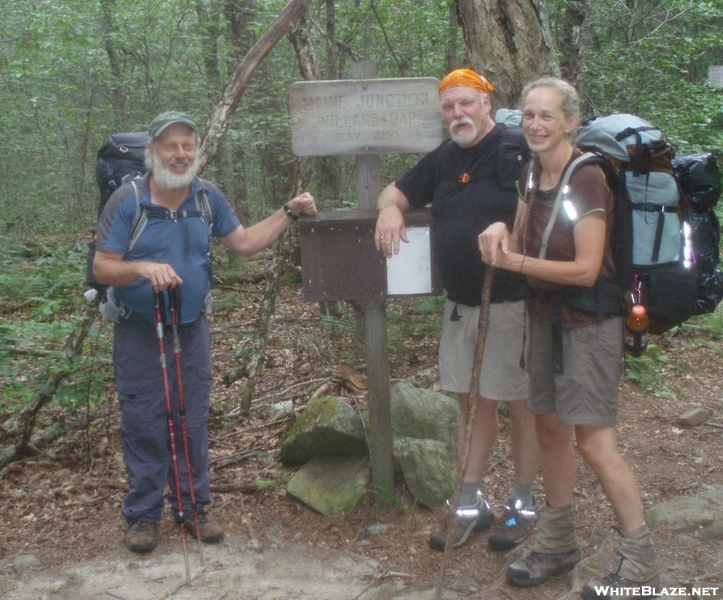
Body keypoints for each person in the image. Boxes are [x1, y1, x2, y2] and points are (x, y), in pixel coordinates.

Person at [93, 111, 316, 553]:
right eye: (170, 146)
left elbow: (246, 244)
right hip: (141, 330)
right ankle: (142, 516)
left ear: (197, 151)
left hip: (192, 328)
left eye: (187, 146)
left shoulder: (205, 197)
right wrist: (142, 267)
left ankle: (193, 508)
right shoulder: (127, 200)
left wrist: (289, 210)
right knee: (144, 421)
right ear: (152, 152)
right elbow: (102, 267)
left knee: (190, 419)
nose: (180, 154)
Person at [478, 78, 659, 598]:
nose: (535, 125)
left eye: (547, 116)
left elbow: (585, 269)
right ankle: (559, 543)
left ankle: (641, 565)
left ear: (570, 122)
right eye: (529, 115)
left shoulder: (587, 179)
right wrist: (498, 232)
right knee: (551, 432)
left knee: (596, 444)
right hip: (544, 319)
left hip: (589, 324)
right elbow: (518, 236)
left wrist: (515, 261)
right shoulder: (531, 174)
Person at [375, 69, 540, 552]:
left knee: (521, 405)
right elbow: (396, 190)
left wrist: (511, 231)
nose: (457, 114)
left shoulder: (515, 148)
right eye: (449, 107)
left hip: (513, 302)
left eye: (466, 104)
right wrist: (390, 209)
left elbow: (543, 206)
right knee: (471, 403)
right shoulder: (444, 158)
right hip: (461, 306)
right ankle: (470, 506)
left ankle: (524, 505)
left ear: (487, 103)